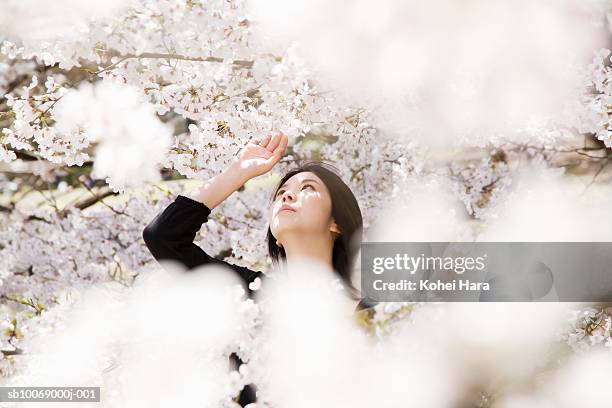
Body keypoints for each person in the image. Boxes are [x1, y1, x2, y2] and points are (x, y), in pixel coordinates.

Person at [142, 130, 377, 406]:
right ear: (275, 235)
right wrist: (237, 172)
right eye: (281, 194)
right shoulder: (248, 294)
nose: (287, 198)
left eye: (307, 189)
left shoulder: (379, 309)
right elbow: (164, 237)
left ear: (336, 222)